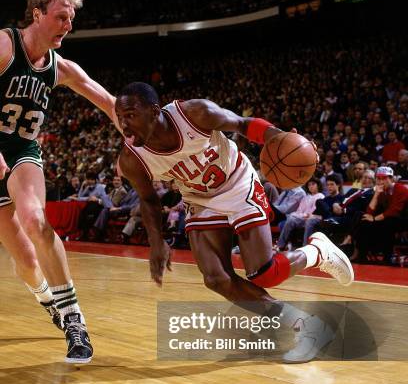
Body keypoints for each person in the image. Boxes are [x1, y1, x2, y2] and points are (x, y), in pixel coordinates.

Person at [115, 82, 354, 363]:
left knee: (264, 273)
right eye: (120, 117)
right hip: (200, 199)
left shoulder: (194, 113)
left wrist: (279, 139)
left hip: (237, 184)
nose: (124, 124)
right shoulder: (132, 159)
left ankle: (317, 252)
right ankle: (306, 325)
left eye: (130, 115)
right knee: (216, 279)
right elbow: (149, 200)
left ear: (154, 111)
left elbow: (243, 124)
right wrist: (156, 242)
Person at [0, 0, 118, 364]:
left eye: (72, 18)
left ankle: (74, 321)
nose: (68, 25)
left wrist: (150, 135)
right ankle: (48, 301)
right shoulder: (4, 46)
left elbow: (110, 103)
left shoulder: (61, 67)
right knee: (27, 262)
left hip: (21, 153)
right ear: (37, 13)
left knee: (36, 220)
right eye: (61, 16)